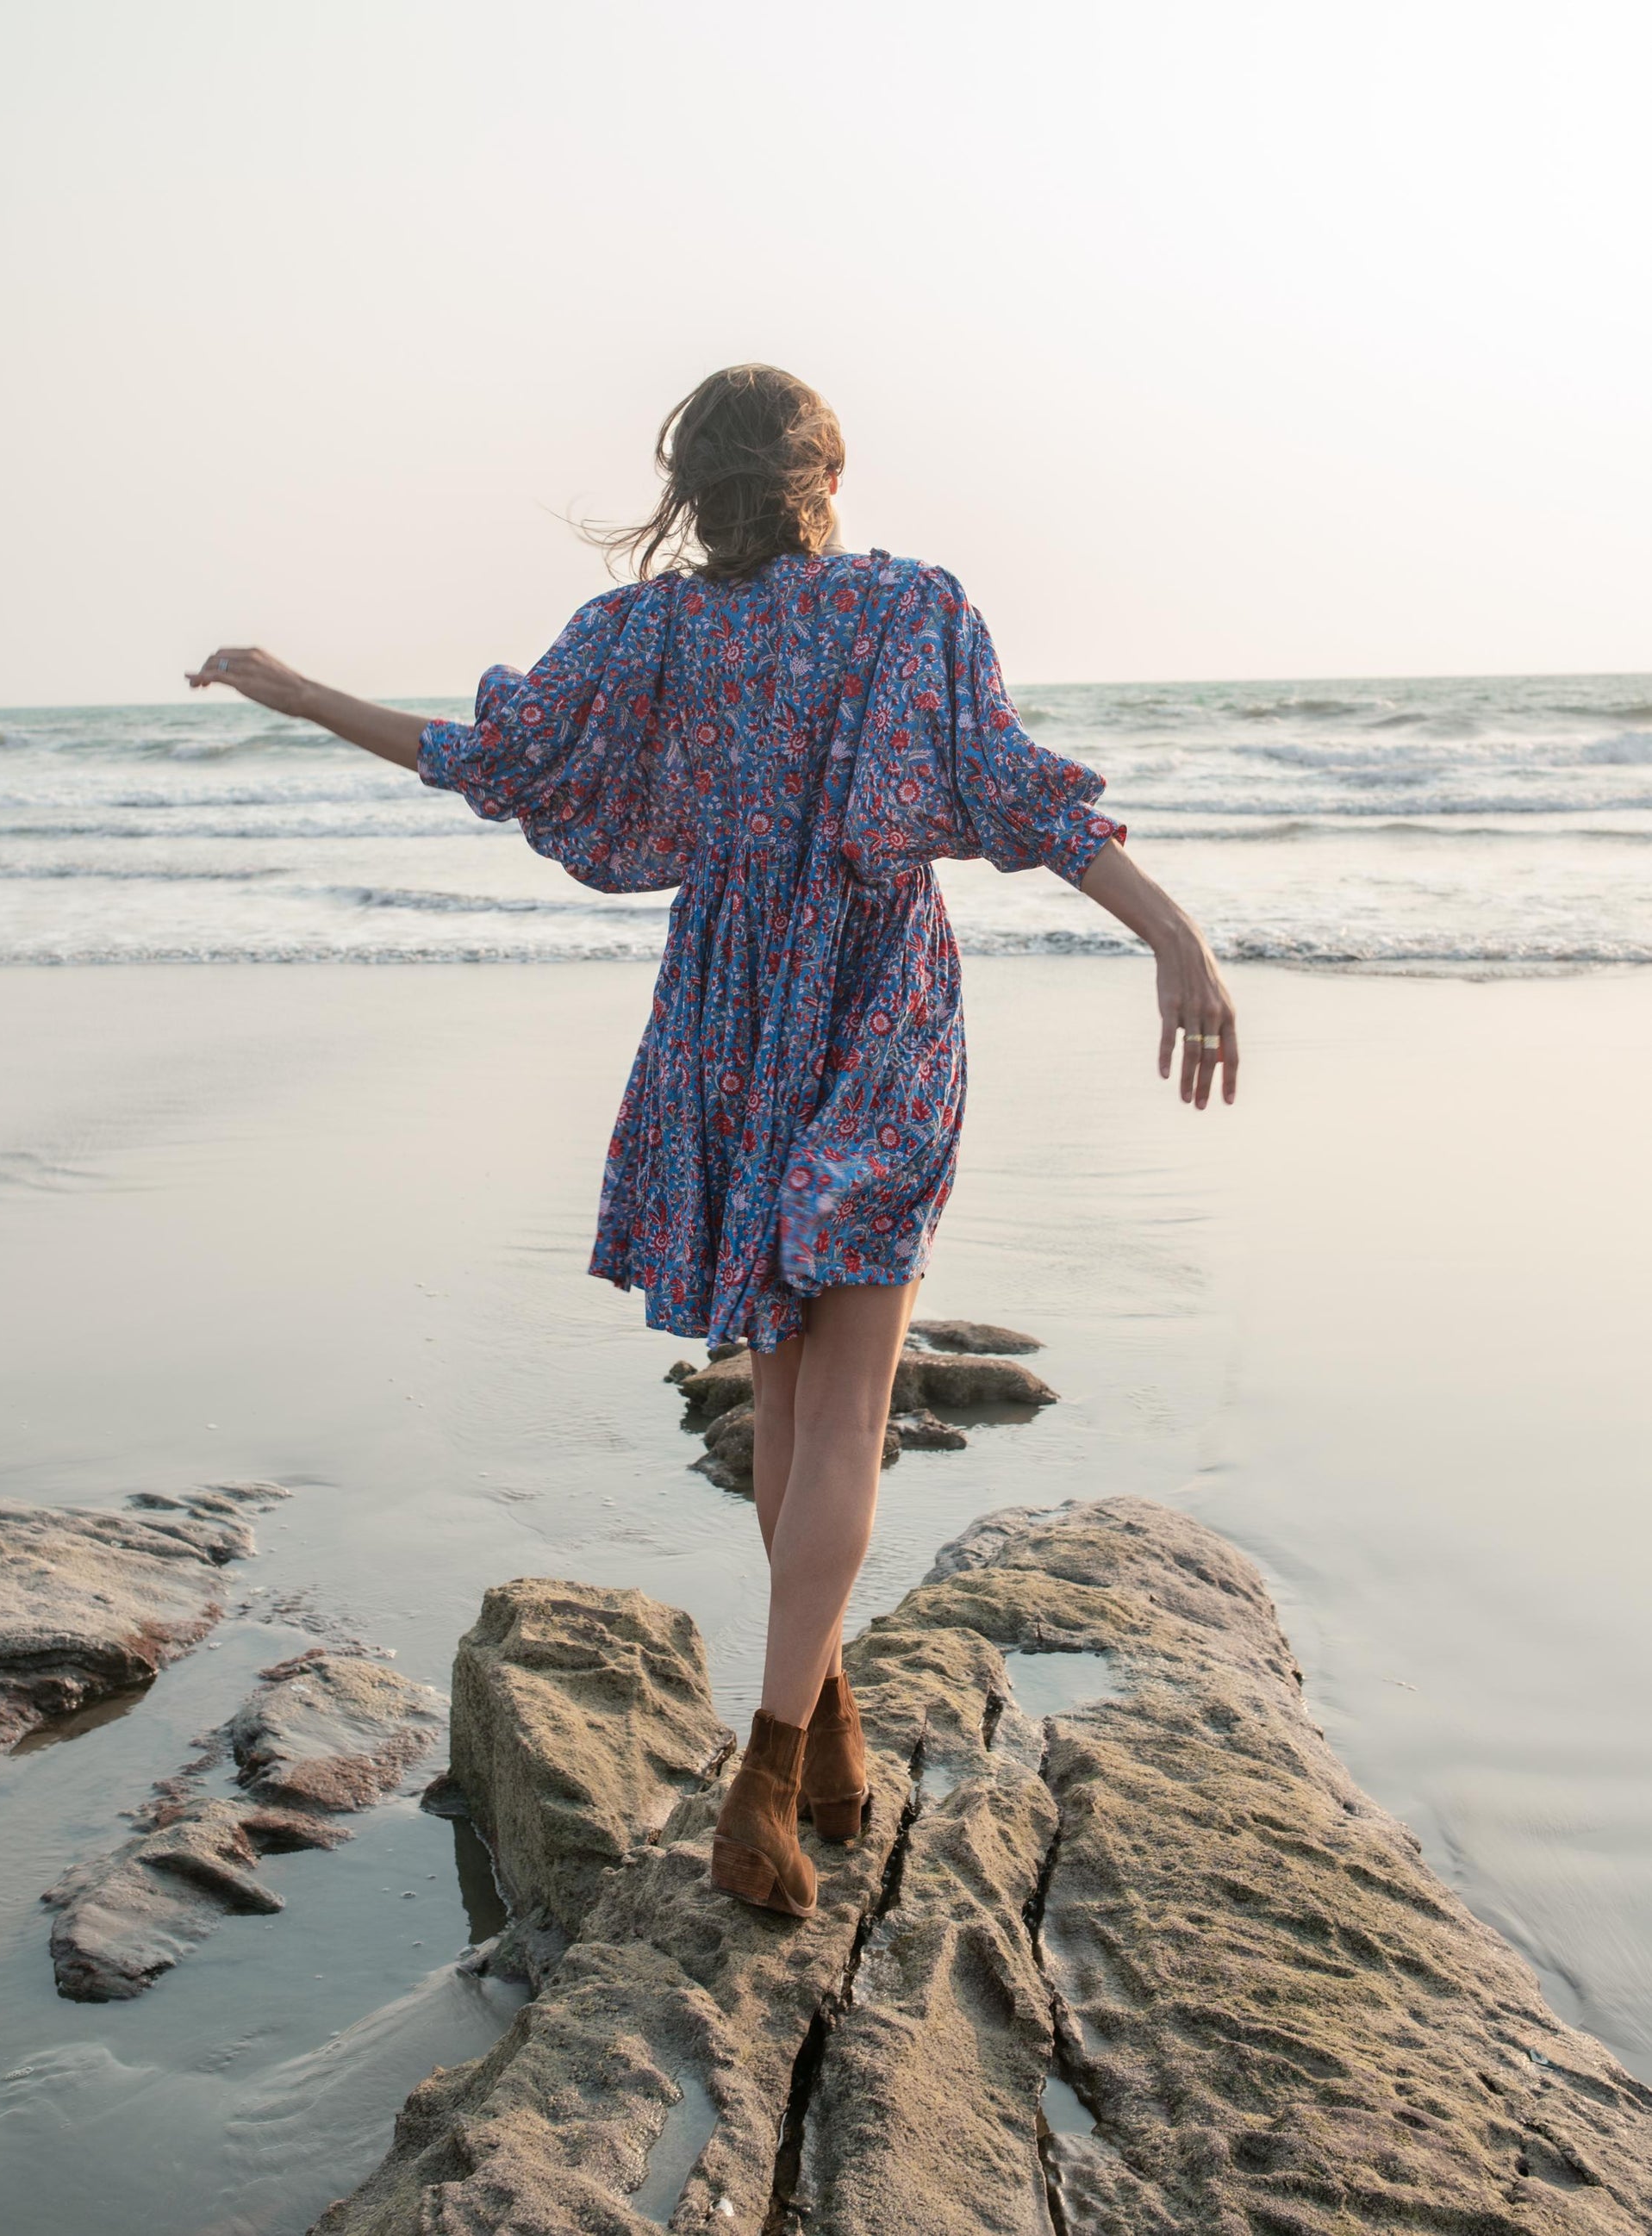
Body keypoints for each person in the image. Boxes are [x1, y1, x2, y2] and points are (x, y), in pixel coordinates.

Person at [188, 363, 1237, 1921]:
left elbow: (491, 759)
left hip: (726, 1007)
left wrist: (299, 693)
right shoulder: (908, 609)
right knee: (843, 1408)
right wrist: (1172, 933)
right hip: (876, 995)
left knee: (789, 1391)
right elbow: (1015, 795)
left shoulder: (652, 633)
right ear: (829, 474)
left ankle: (822, 1728)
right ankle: (769, 1766)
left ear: (689, 486)